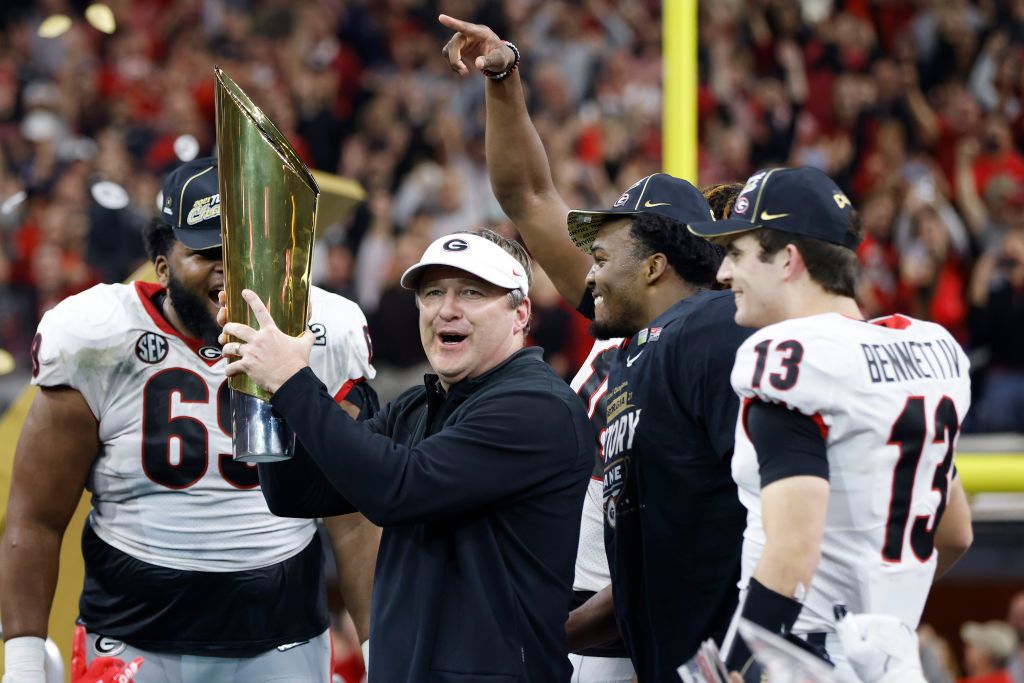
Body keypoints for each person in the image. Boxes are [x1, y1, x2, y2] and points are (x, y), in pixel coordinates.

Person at [438, 15, 752, 682]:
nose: (591, 267)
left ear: (655, 265)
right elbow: (526, 194)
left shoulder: (714, 342)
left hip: (659, 635)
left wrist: (556, 630)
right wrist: (503, 75)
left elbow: (699, 541)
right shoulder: (629, 322)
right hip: (601, 617)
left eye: (605, 252)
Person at [0, 157, 379, 683]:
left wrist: (381, 650)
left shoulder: (325, 330)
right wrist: (21, 667)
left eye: (246, 250)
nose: (230, 268)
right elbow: (35, 518)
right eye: (206, 252)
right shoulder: (97, 337)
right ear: (161, 264)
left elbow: (355, 519)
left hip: (282, 632)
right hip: (133, 636)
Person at [218, 229, 594, 682]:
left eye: (472, 292)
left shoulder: (538, 407)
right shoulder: (419, 405)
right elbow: (297, 493)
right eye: (433, 292)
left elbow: (398, 489)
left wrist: (293, 381)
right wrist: (265, 386)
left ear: (521, 314)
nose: (446, 309)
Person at [687, 166, 975, 680]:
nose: (724, 274)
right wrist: (884, 613)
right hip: (892, 662)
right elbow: (955, 533)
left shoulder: (790, 357)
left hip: (802, 658)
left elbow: (793, 549)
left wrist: (733, 669)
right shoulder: (929, 350)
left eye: (737, 254)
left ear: (789, 261)